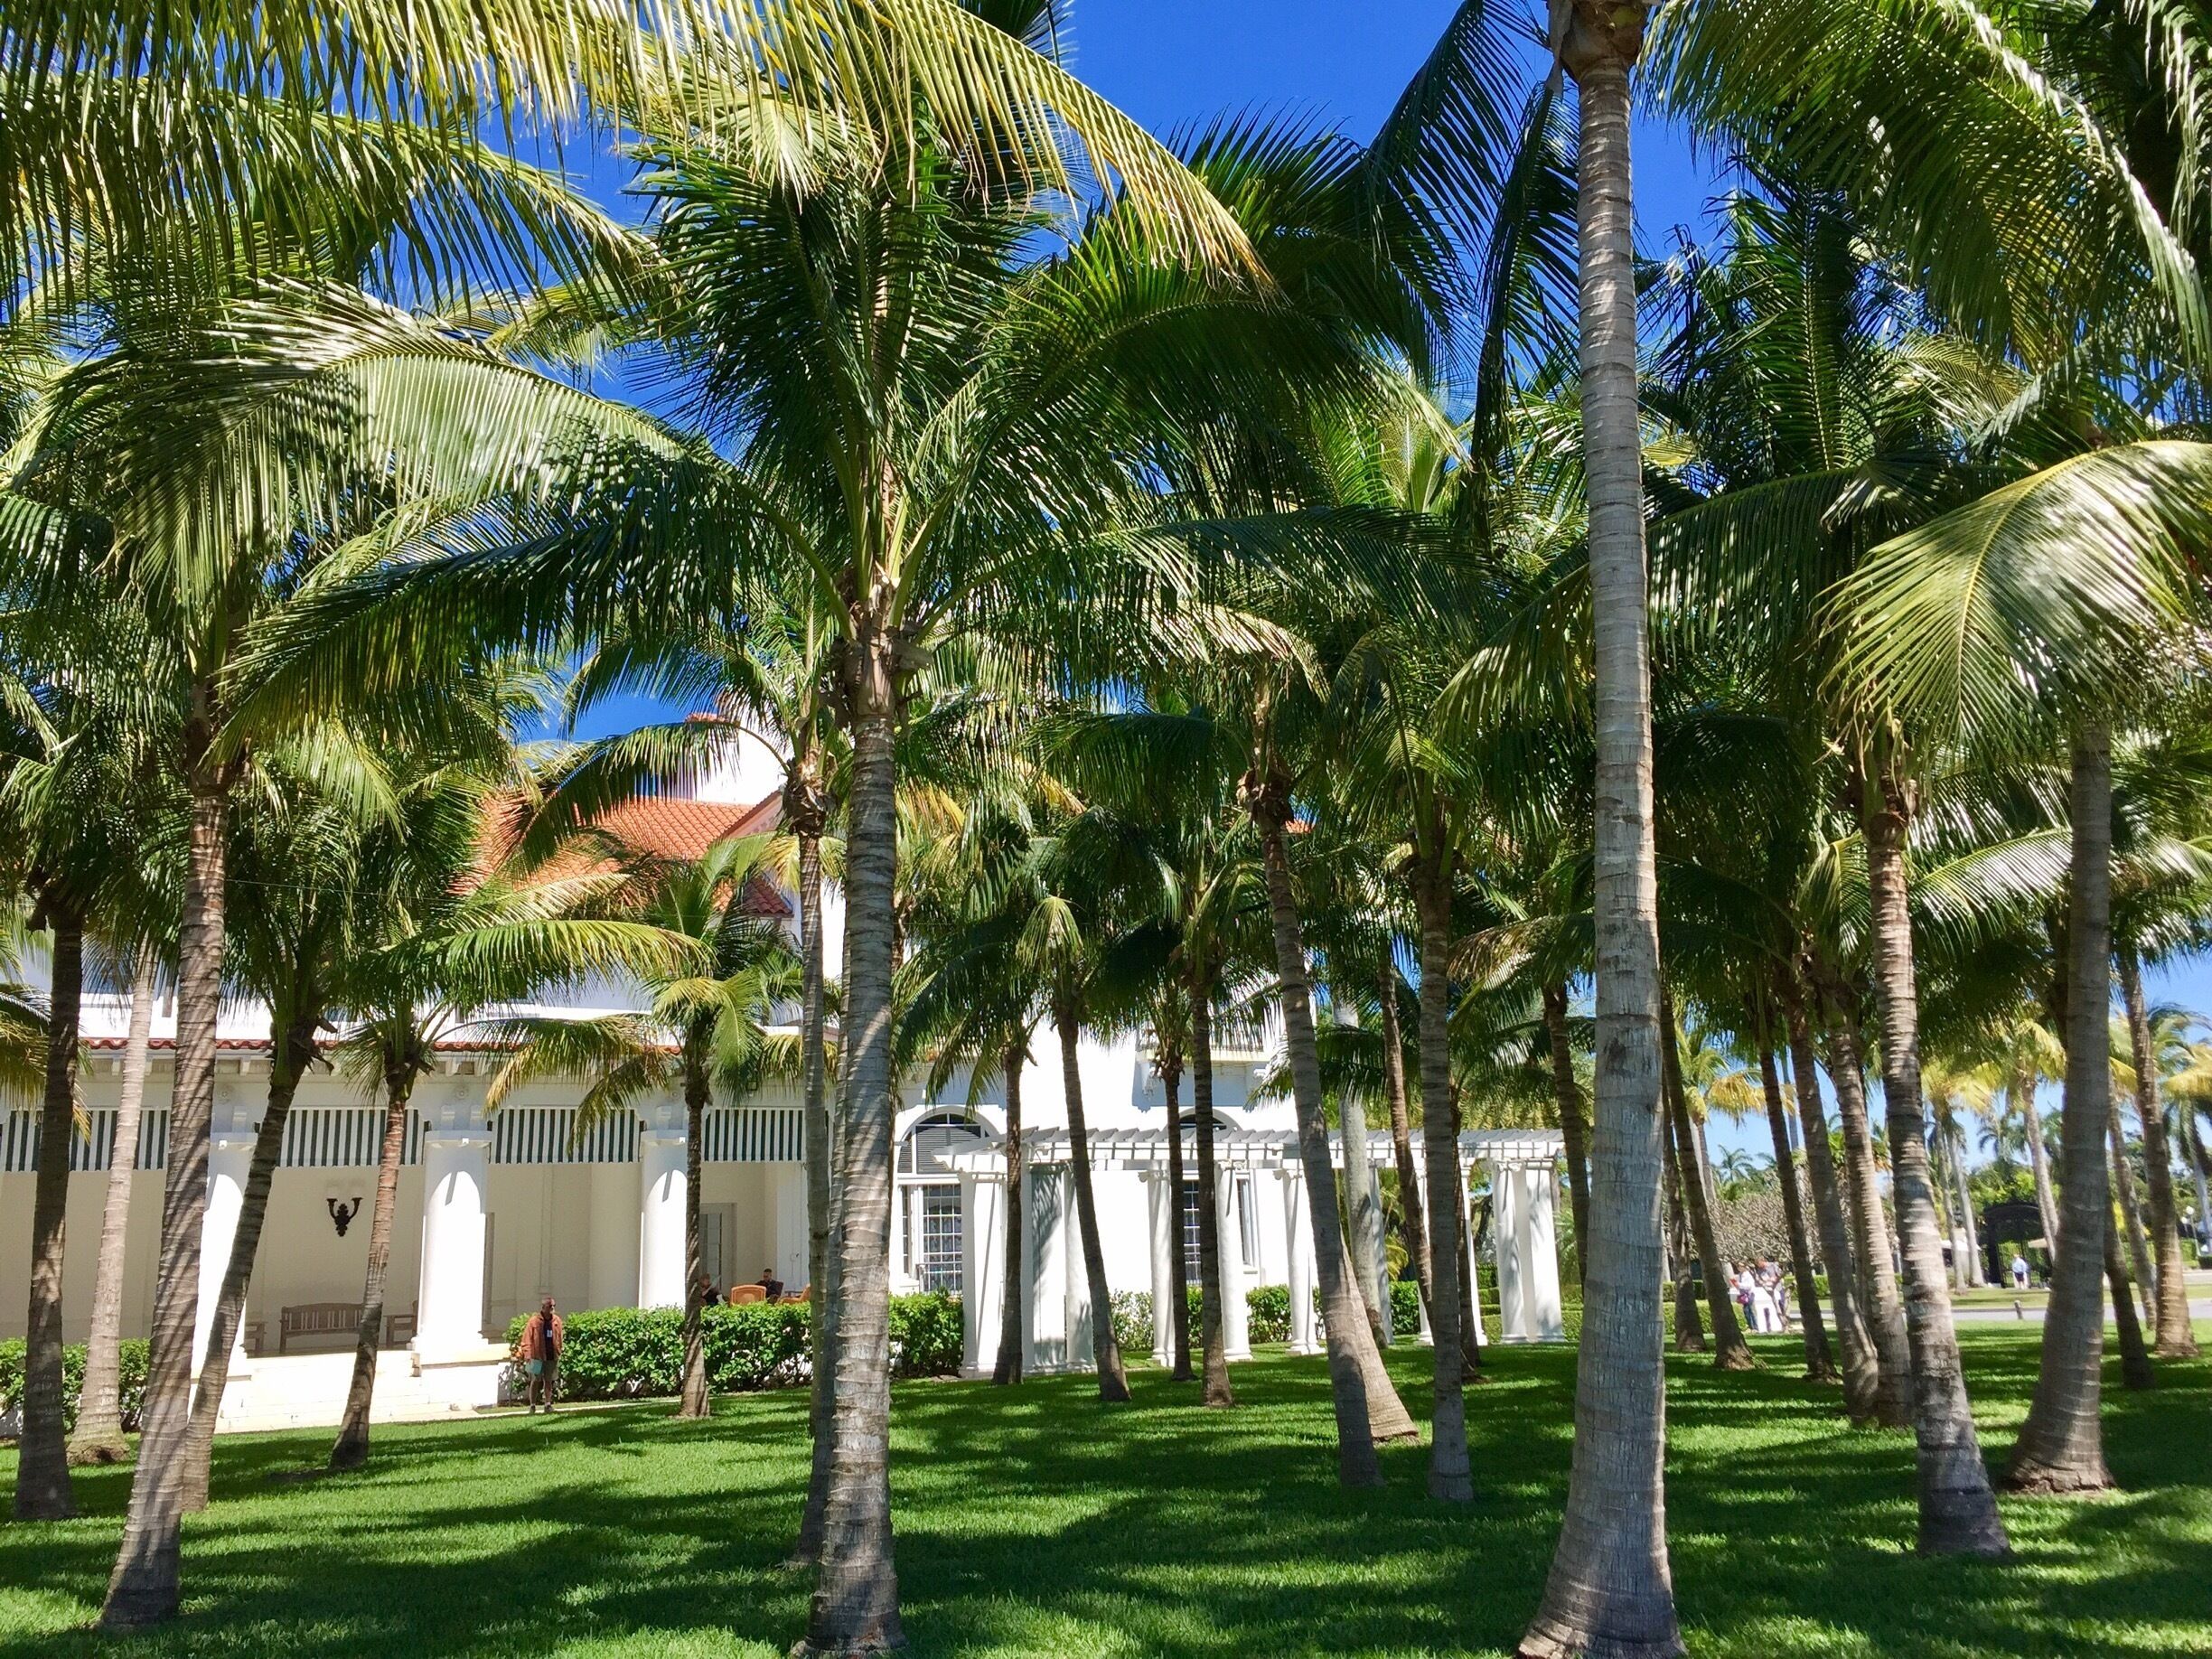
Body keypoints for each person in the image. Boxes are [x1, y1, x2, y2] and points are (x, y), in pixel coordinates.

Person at [521, 1296, 564, 1414]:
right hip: (536, 1357)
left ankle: (548, 1404)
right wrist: (528, 1355)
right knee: (535, 1381)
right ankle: (533, 1405)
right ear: (543, 1307)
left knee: (549, 1381)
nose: (552, 1309)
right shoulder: (534, 1321)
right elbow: (526, 1339)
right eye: (550, 1306)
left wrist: (559, 1350)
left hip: (551, 1356)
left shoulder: (557, 1321)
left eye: (554, 1306)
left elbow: (560, 1336)